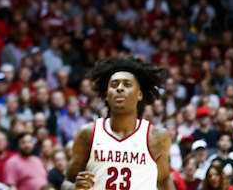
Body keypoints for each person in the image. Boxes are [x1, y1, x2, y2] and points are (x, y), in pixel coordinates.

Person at [62, 56, 174, 190]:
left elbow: (164, 182)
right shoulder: (88, 134)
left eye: (127, 84)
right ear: (107, 94)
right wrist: (73, 188)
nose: (119, 88)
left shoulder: (157, 138)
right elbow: (66, 183)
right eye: (114, 85)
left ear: (139, 94)